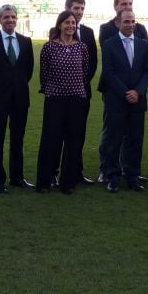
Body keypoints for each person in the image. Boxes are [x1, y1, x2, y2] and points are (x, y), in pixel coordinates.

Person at [98, 8, 148, 192]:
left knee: (135, 140)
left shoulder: (144, 45)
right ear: (118, 23)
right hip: (116, 100)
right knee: (113, 140)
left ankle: (132, 176)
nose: (130, 25)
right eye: (126, 21)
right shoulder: (109, 44)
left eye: (132, 21)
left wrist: (137, 91)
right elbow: (109, 73)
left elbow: (147, 72)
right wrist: (125, 92)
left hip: (137, 100)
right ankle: (112, 176)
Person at [36, 11, 90, 194]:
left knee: (73, 141)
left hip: (76, 99)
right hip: (55, 99)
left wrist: (77, 91)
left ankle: (68, 183)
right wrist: (51, 90)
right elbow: (44, 73)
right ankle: (44, 181)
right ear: (59, 25)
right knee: (51, 140)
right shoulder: (49, 47)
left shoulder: (81, 47)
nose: (70, 26)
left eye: (73, 23)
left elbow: (85, 73)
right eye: (67, 22)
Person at [0, 5, 35, 193]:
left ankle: (17, 177)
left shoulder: (26, 42)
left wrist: (17, 86)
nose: (10, 20)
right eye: (6, 17)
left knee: (17, 140)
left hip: (20, 99)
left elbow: (28, 70)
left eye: (13, 17)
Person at [66, 0, 98, 185]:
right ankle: (56, 172)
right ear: (68, 9)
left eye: (81, 8)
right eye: (76, 8)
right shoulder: (57, 30)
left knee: (79, 132)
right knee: (60, 133)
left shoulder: (88, 32)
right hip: (61, 94)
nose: (79, 12)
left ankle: (76, 171)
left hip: (82, 92)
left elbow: (93, 61)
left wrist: (82, 82)